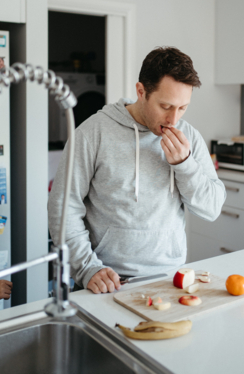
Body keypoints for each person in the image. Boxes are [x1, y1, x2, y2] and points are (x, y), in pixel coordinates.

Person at [48, 47, 226, 295]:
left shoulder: (189, 138)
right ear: (141, 91)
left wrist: (185, 165)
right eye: (165, 106)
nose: (174, 119)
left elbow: (212, 208)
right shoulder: (92, 134)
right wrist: (87, 269)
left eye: (183, 108)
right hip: (106, 282)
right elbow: (63, 208)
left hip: (171, 279)